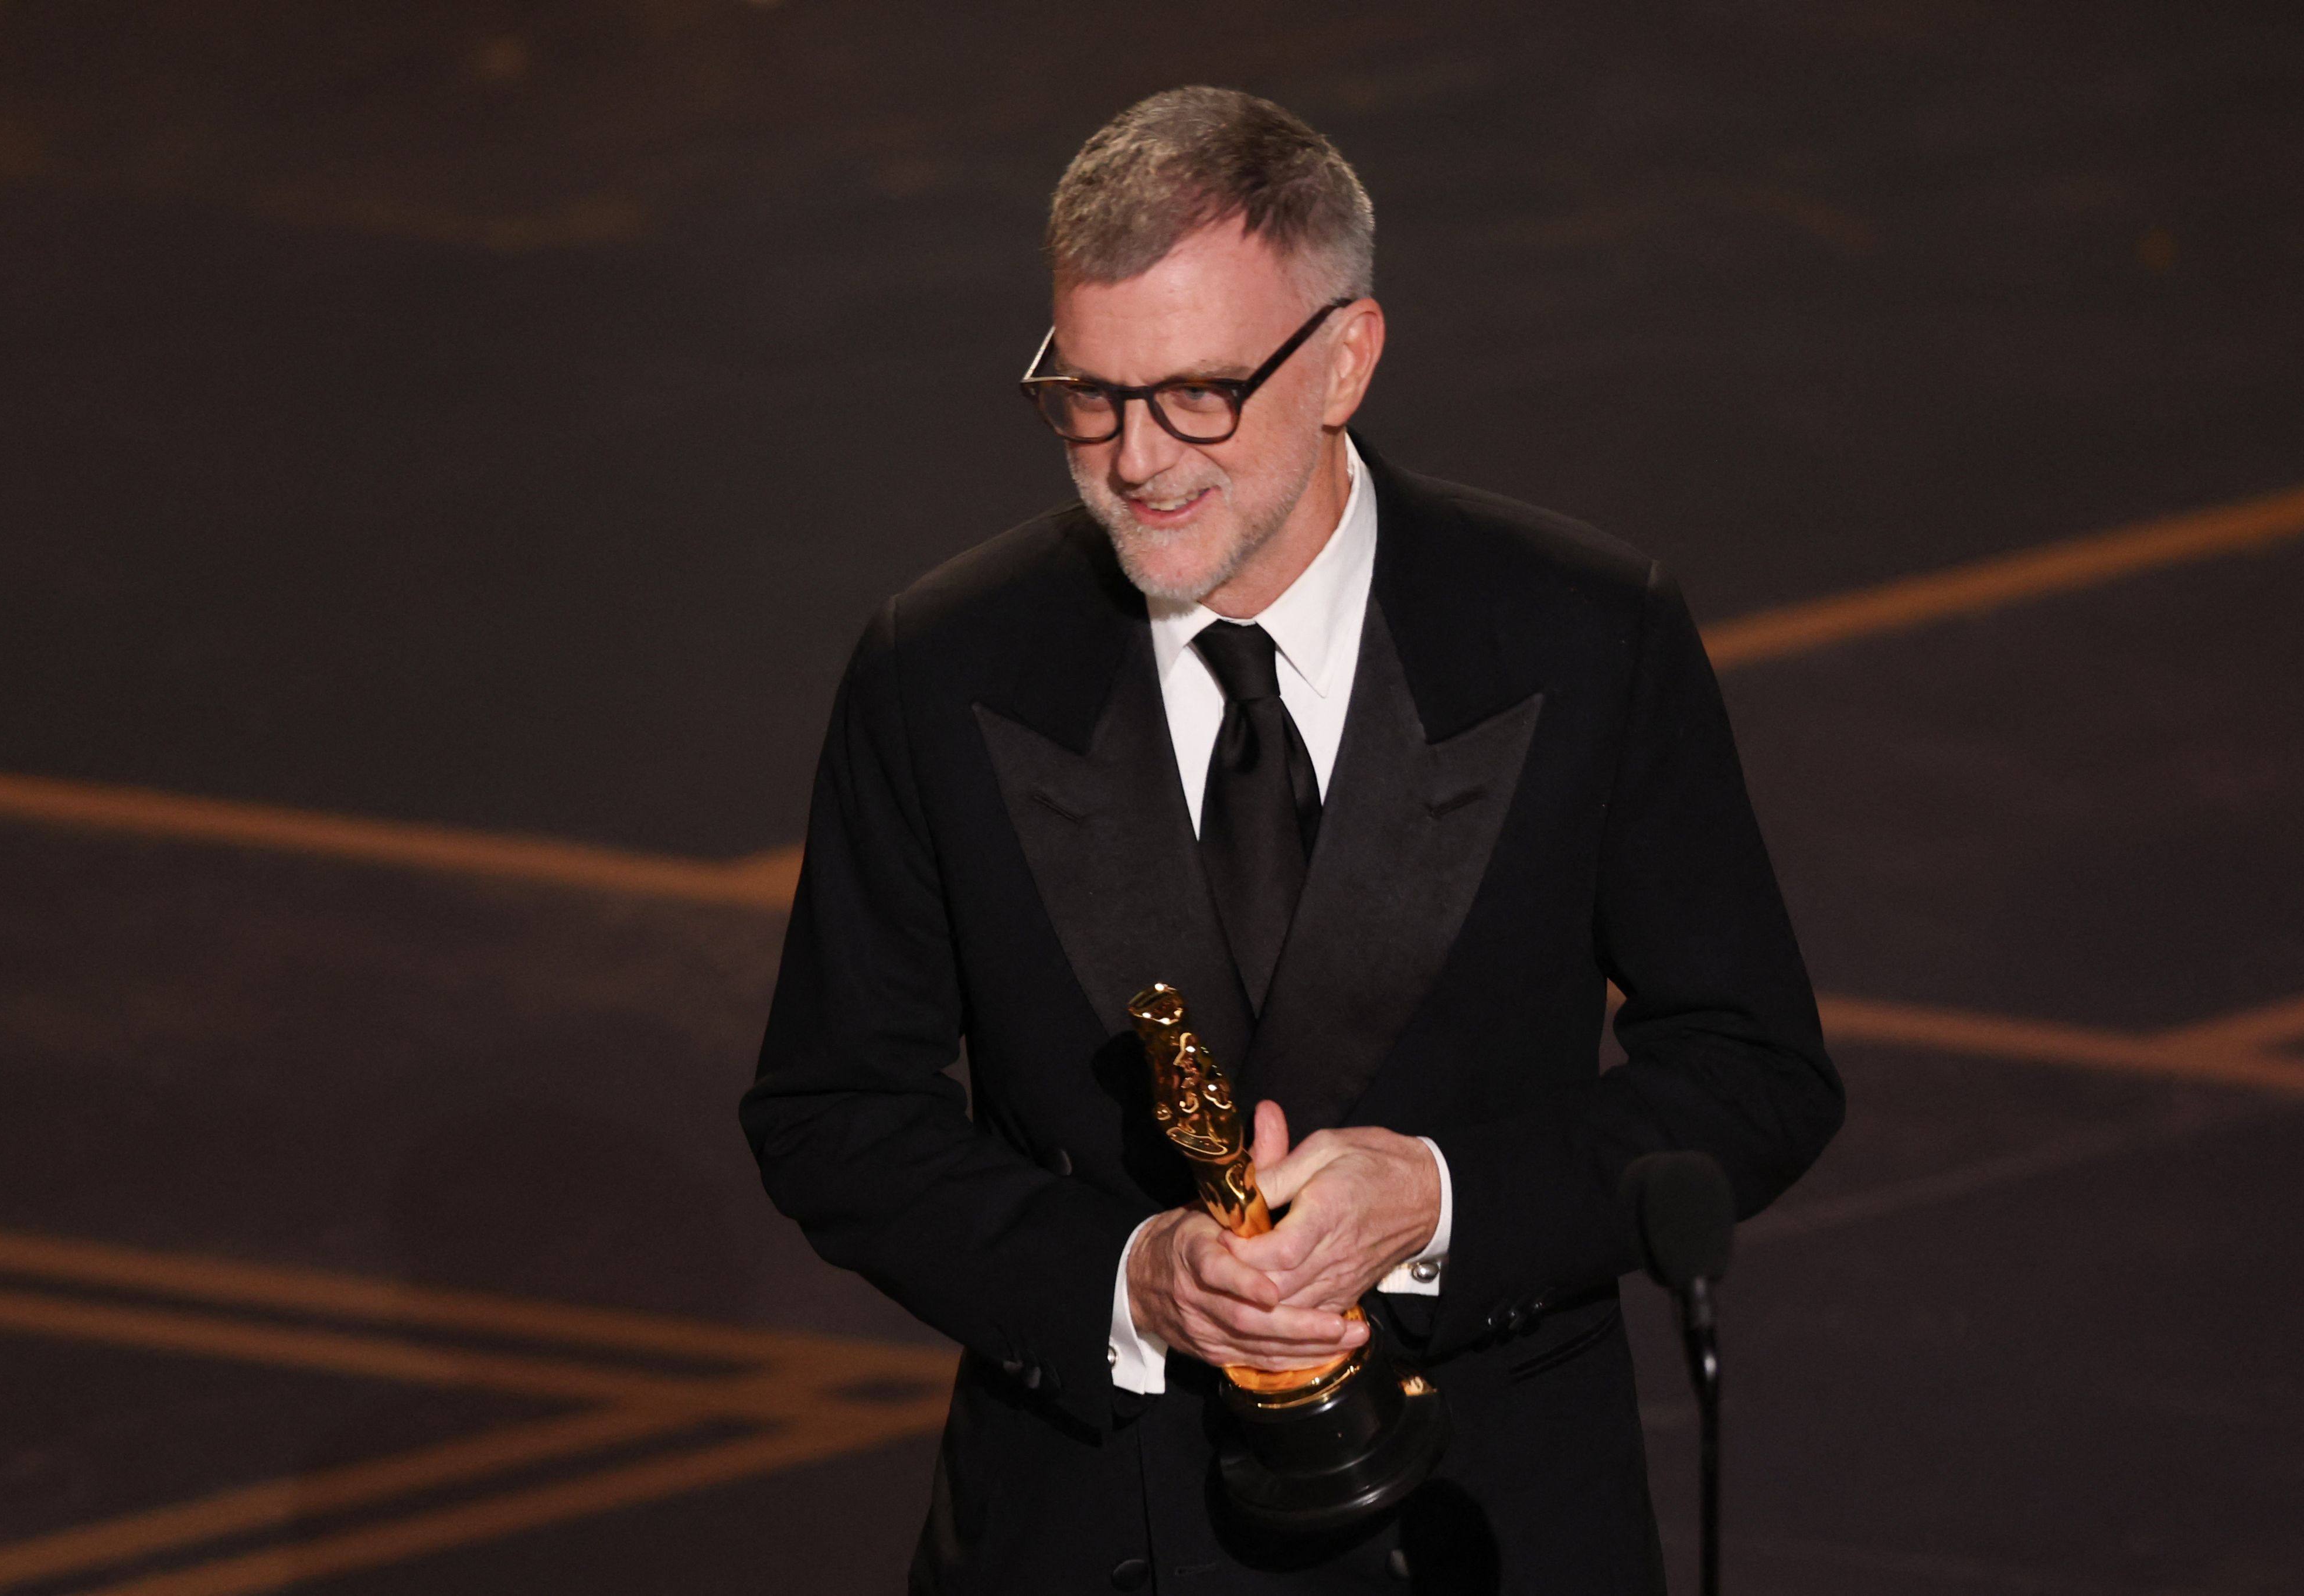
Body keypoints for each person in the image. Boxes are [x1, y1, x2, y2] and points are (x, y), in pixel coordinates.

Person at [742, 86, 1842, 1594]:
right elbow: (831, 1110)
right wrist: (1129, 1281)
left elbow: (1754, 1072)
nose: (1135, 460)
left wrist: (1440, 1200)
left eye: (1197, 394)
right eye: (1088, 394)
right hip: (1088, 1535)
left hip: (1485, 1531)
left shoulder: (1583, 639)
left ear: (1345, 360)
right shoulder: (944, 669)